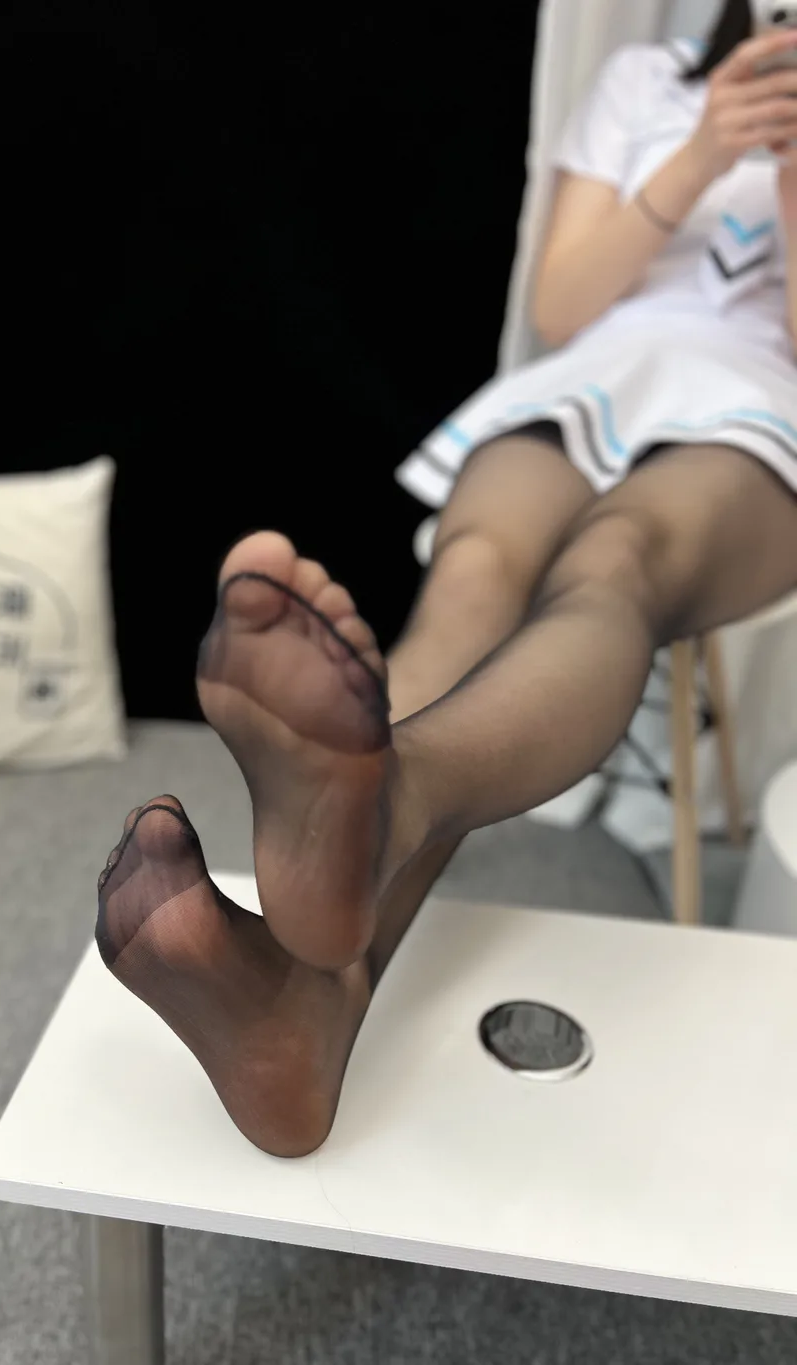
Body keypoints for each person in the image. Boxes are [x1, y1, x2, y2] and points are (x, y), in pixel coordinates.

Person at [97, 2, 797, 1158]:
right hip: (592, 381)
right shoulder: (646, 86)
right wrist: (704, 151)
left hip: (761, 413)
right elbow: (561, 306)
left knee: (614, 560)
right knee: (474, 568)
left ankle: (382, 805)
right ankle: (296, 1028)